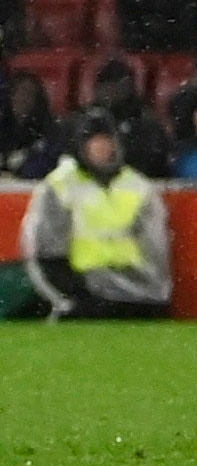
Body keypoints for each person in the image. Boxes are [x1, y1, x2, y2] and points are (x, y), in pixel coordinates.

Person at [21, 111, 170, 320]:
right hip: (85, 290)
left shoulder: (138, 187)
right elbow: (45, 253)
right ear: (81, 145)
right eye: (94, 141)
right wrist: (71, 297)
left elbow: (156, 250)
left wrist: (156, 293)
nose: (101, 147)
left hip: (136, 291)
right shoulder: (60, 186)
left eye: (106, 140)